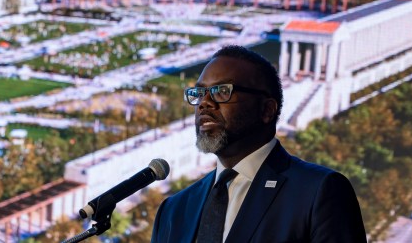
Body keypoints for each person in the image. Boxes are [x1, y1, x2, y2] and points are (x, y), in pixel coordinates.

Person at [151, 45, 366, 243]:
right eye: (199, 93)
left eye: (222, 92)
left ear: (267, 110)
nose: (205, 103)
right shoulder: (173, 210)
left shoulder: (318, 193)